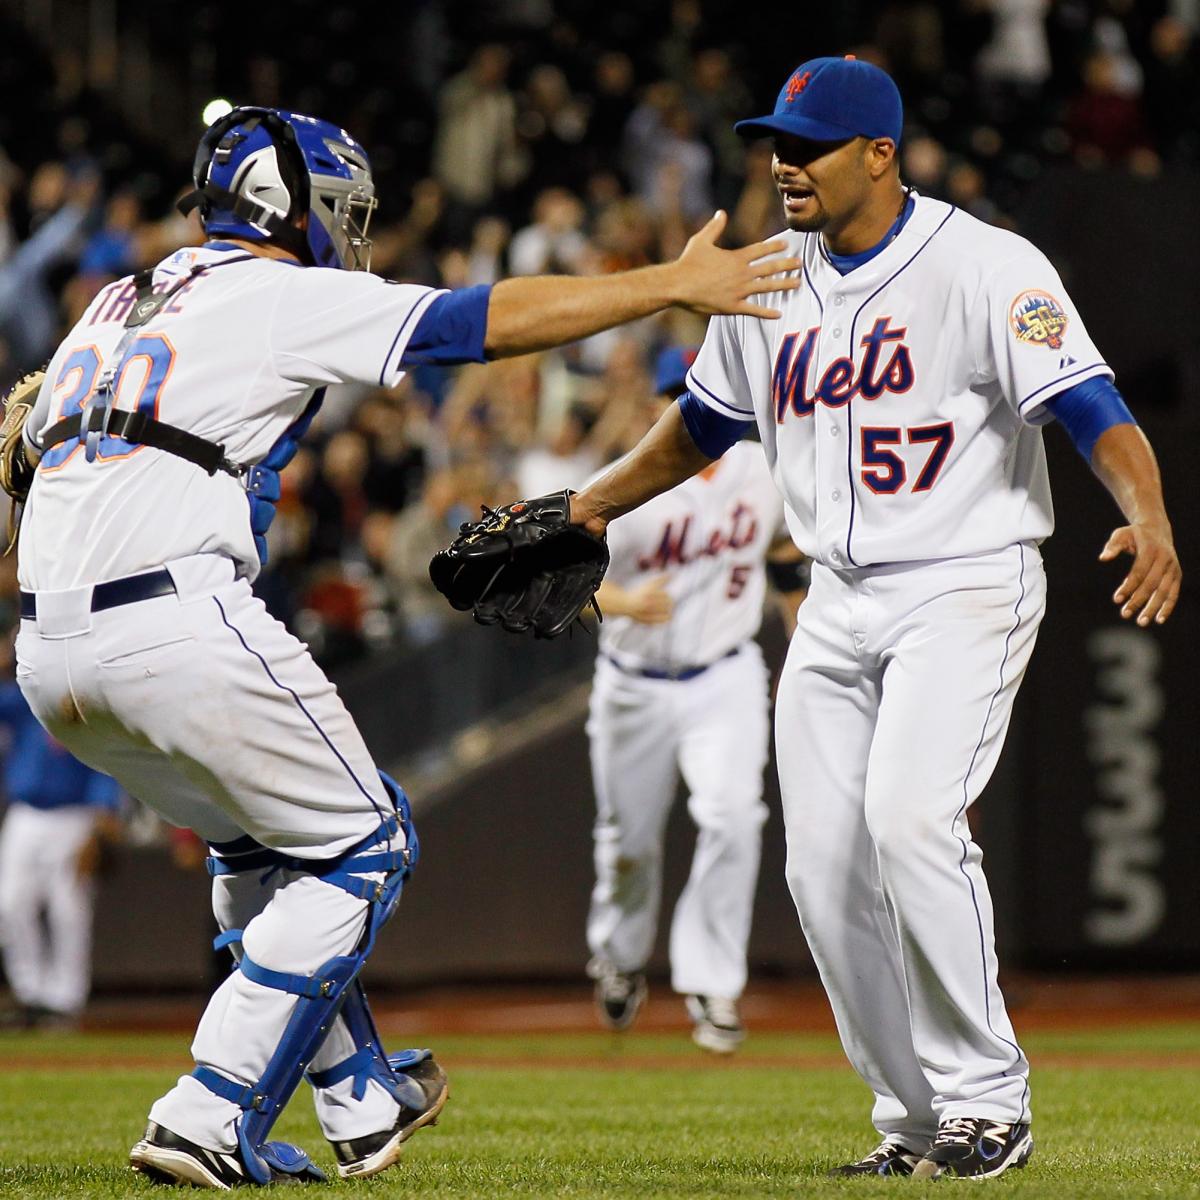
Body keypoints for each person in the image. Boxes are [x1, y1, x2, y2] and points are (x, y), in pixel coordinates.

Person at [10, 106, 797, 1189]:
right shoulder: (272, 289)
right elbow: (480, 322)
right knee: (367, 845)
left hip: (50, 645)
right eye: (341, 207)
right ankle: (209, 1103)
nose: (351, 227)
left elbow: (30, 454)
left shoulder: (112, 300)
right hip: (171, 617)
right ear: (289, 206)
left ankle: (359, 1096)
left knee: (259, 853)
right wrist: (667, 281)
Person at [567, 57, 1180, 1179]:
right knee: (821, 871)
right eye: (776, 142)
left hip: (966, 580)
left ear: (881, 154)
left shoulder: (986, 264)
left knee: (909, 820)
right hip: (839, 603)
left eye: (808, 144)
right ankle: (912, 1118)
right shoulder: (764, 280)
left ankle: (988, 1098)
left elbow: (1092, 406)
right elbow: (701, 427)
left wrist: (1147, 513)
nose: (783, 163)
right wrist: (585, 507)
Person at [586, 346, 807, 1054]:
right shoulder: (626, 484)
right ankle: (619, 958)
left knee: (735, 816)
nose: (689, 403)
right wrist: (620, 599)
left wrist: (802, 644)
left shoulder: (762, 471)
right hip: (633, 681)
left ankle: (714, 985)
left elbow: (784, 559)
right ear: (657, 407)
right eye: (675, 394)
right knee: (629, 844)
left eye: (699, 391)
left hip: (725, 673)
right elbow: (561, 582)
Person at [0, 673, 121, 1030]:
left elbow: (108, 762)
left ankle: (64, 1000)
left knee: (68, 909)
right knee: (9, 903)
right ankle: (30, 993)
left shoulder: (92, 698)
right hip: (26, 814)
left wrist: (101, 820)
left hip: (75, 815)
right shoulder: (25, 696)